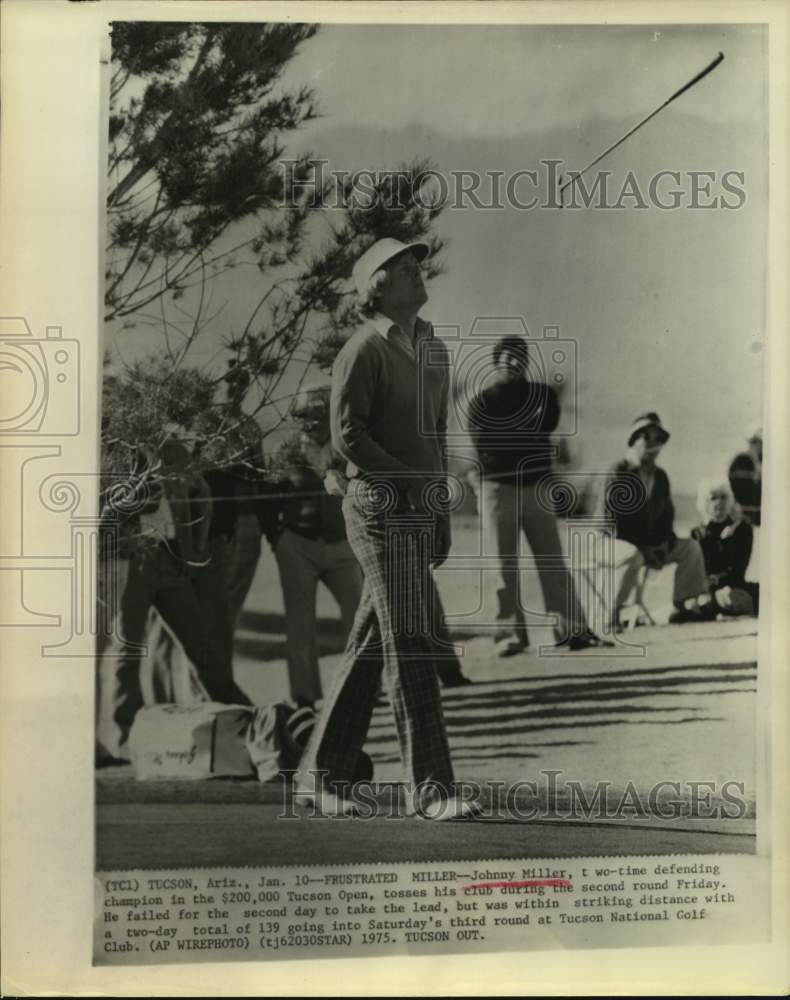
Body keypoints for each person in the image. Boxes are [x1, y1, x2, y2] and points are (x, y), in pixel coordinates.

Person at [295, 237, 479, 820]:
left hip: (416, 509)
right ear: (376, 286)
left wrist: (439, 510)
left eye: (416, 265)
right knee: (411, 643)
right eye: (403, 268)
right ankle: (431, 790)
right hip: (376, 509)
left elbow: (436, 436)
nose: (417, 273)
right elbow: (349, 439)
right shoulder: (362, 349)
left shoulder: (434, 348)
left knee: (372, 646)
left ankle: (316, 778)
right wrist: (409, 484)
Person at [95, 436, 251, 764]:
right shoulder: (115, 450)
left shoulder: (173, 450)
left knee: (200, 644)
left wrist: (193, 547)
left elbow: (200, 495)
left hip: (169, 558)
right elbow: (117, 506)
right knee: (129, 646)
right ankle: (125, 733)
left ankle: (241, 718)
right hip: (131, 558)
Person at [467, 335, 606, 654]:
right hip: (497, 490)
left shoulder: (543, 395)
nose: (514, 363)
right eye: (507, 357)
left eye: (520, 357)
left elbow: (545, 426)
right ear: (495, 362)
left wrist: (513, 435)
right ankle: (509, 636)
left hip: (537, 488)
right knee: (503, 566)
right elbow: (488, 448)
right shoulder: (481, 402)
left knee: (553, 562)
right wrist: (524, 437)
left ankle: (570, 630)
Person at [265, 381, 364, 710]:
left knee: (359, 615)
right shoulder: (287, 448)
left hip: (341, 542)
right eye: (305, 414)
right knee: (300, 621)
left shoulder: (347, 443)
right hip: (298, 541)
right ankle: (305, 696)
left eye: (320, 413)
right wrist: (276, 536)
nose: (313, 420)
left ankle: (360, 685)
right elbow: (268, 494)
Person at [597, 412, 708, 627]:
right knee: (633, 554)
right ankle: (610, 615)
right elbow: (614, 520)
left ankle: (682, 606)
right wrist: (646, 547)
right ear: (634, 440)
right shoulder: (618, 471)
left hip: (645, 546)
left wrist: (662, 543)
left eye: (658, 439)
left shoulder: (660, 476)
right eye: (646, 437)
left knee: (690, 548)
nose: (652, 444)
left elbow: (666, 517)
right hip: (607, 541)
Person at [690, 477, 759, 617]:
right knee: (693, 604)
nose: (719, 502)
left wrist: (729, 539)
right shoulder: (697, 533)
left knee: (733, 598)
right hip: (707, 591)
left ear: (730, 500)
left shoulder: (742, 529)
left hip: (734, 587)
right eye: (713, 498)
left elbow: (739, 569)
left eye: (723, 497)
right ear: (704, 502)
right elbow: (697, 572)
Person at [728, 428, 762, 527]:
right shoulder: (741, 461)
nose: (761, 446)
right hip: (744, 517)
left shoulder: (765, 461)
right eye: (758, 442)